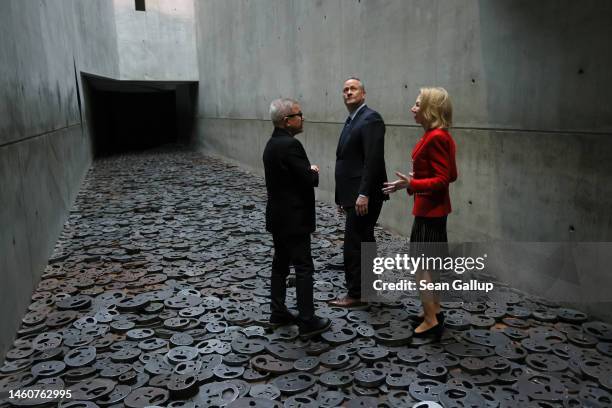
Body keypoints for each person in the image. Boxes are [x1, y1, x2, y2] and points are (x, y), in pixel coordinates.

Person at [383, 87, 457, 338]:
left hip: (430, 212)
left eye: (417, 104)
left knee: (421, 267)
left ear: (430, 110)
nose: (412, 109)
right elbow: (450, 175)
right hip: (433, 210)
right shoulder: (439, 135)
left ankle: (430, 320)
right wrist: (416, 179)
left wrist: (412, 184)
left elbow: (443, 180)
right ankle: (434, 309)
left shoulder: (436, 137)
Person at [263, 98, 331, 339]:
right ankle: (307, 319)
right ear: (286, 121)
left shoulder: (271, 144)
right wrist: (313, 171)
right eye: (298, 114)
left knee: (280, 264)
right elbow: (307, 180)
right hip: (294, 218)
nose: (302, 117)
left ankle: (278, 312)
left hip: (278, 217)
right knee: (303, 267)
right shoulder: (291, 145)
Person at [330, 78, 388, 308]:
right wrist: (340, 197)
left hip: (364, 195)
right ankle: (368, 290)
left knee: (354, 244)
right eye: (344, 90)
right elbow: (344, 160)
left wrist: (363, 194)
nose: (348, 93)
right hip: (353, 194)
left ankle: (356, 294)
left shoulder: (371, 118)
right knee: (364, 240)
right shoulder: (352, 120)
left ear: (363, 94)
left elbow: (372, 159)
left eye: (353, 89)